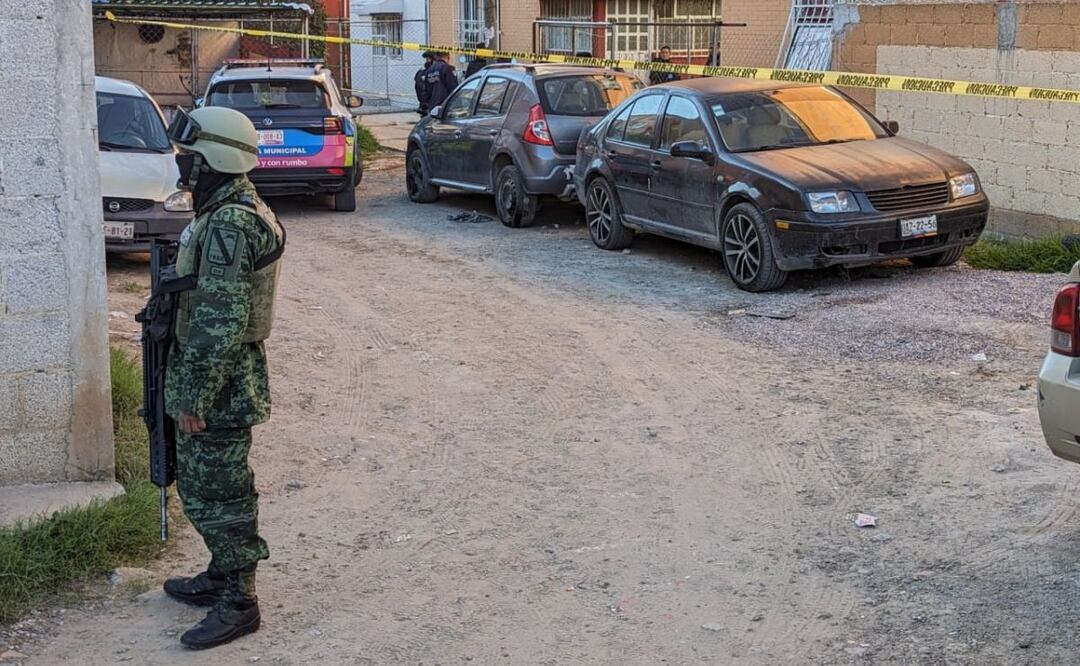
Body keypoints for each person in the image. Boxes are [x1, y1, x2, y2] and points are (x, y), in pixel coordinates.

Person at [161, 106, 285, 651]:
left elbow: (219, 318)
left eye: (189, 156)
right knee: (203, 481)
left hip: (222, 379)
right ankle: (220, 573)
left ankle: (240, 600)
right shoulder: (222, 211)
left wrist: (196, 396)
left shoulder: (231, 223)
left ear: (213, 159)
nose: (183, 164)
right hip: (216, 373)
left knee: (221, 490)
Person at [414, 51, 435, 117]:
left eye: (428, 59)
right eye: (427, 59)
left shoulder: (423, 71)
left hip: (424, 102)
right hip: (428, 103)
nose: (427, 60)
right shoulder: (430, 71)